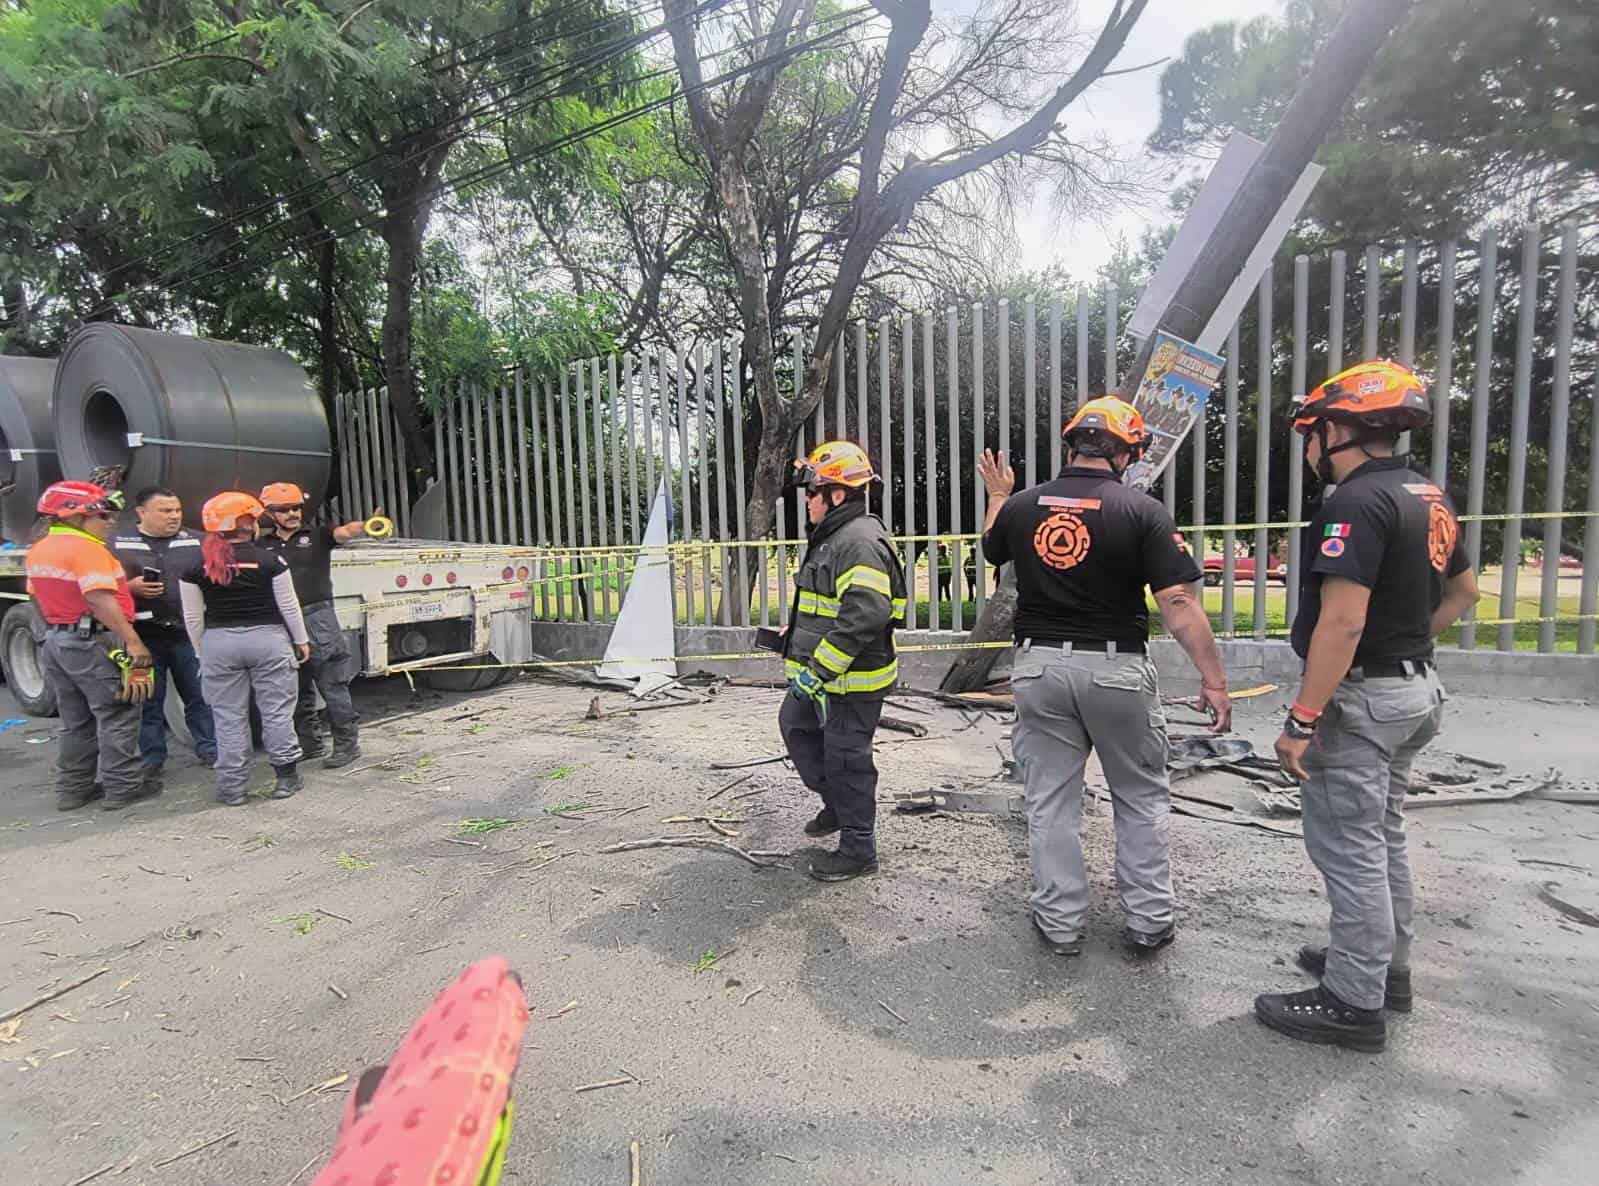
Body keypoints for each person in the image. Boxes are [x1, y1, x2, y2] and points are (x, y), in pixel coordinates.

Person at [1254, 361, 1478, 1054]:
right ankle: (1385, 972)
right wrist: (1406, 645)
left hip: (1364, 701)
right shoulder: (1426, 496)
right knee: (1382, 838)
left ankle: (1352, 1003)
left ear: (1340, 427)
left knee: (1347, 849)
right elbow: (1464, 592)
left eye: (1312, 431)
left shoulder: (1352, 504)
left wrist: (1302, 717)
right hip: (1415, 691)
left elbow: (1341, 623)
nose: (1309, 446)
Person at [978, 396, 1232, 957]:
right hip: (1116, 669)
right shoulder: (1142, 511)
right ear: (1128, 452)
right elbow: (1179, 603)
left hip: (1039, 668)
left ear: (1072, 444)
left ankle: (1060, 925)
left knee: (1050, 801)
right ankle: (1148, 923)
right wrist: (1213, 679)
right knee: (1139, 797)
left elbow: (993, 547)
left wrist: (998, 495)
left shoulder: (1023, 506)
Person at [779, 440, 905, 882]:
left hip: (851, 682)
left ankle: (858, 849)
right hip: (825, 680)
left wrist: (819, 669)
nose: (806, 501)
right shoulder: (834, 538)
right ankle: (836, 804)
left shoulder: (859, 541)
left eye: (812, 492)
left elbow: (866, 613)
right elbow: (828, 606)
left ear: (836, 494)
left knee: (847, 759)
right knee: (796, 727)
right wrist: (794, 637)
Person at [25, 481, 159, 811]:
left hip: (58, 640)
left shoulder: (40, 548)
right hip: (93, 640)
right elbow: (99, 598)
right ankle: (123, 788)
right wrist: (133, 641)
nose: (109, 521)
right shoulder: (86, 549)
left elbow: (36, 596)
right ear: (73, 517)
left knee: (76, 720)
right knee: (118, 712)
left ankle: (74, 789)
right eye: (101, 515)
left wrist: (60, 628)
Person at [180, 492, 311, 806]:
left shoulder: (196, 564)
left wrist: (202, 651)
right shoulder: (270, 559)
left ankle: (232, 788)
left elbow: (193, 617)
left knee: (227, 717)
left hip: (219, 642)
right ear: (247, 522)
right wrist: (301, 640)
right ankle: (285, 779)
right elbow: (289, 606)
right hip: (268, 640)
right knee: (277, 712)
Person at [258, 483, 371, 769]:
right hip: (279, 621)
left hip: (317, 617)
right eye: (284, 510)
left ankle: (347, 745)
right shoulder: (262, 544)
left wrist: (363, 527)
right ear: (270, 513)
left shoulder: (318, 535)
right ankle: (310, 744)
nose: (293, 513)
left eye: (296, 507)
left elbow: (343, 533)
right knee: (293, 687)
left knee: (332, 684)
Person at [112, 487, 216, 782]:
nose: (174, 517)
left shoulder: (198, 540)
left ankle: (210, 750)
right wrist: (129, 589)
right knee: (145, 699)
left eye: (177, 511)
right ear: (141, 513)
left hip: (188, 635)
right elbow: (98, 588)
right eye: (165, 511)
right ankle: (151, 759)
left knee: (200, 696)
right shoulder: (116, 542)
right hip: (140, 638)